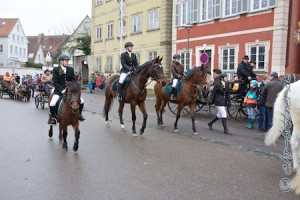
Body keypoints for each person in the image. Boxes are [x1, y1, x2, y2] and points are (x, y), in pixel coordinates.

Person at [49, 54, 85, 126]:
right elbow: (55, 81)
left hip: (70, 91)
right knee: (52, 103)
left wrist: (75, 87)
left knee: (82, 101)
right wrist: (61, 90)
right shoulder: (56, 69)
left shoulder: (70, 69)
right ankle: (53, 118)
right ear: (61, 61)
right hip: (59, 91)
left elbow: (73, 80)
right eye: (66, 61)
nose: (67, 62)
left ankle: (80, 115)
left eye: (68, 60)